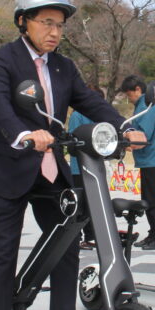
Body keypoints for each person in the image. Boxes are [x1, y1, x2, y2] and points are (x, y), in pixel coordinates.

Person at [0, 0, 146, 310]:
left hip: (52, 170)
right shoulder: (0, 59)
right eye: (46, 22)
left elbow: (90, 101)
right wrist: (23, 135)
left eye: (60, 25)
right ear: (23, 21)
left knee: (67, 243)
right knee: (4, 247)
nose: (55, 32)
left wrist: (122, 127)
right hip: (10, 165)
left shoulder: (64, 66)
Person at [120, 75, 155, 250]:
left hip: (153, 159)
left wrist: (125, 142)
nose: (129, 98)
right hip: (149, 159)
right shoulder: (144, 105)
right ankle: (153, 234)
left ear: (138, 90)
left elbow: (142, 136)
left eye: (129, 94)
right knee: (148, 198)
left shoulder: (145, 106)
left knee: (153, 199)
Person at [67, 86, 104, 251]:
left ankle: (84, 236)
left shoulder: (77, 115)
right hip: (95, 165)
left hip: (79, 167)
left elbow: (72, 141)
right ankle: (93, 236)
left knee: (81, 204)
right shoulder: (99, 116)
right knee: (93, 202)